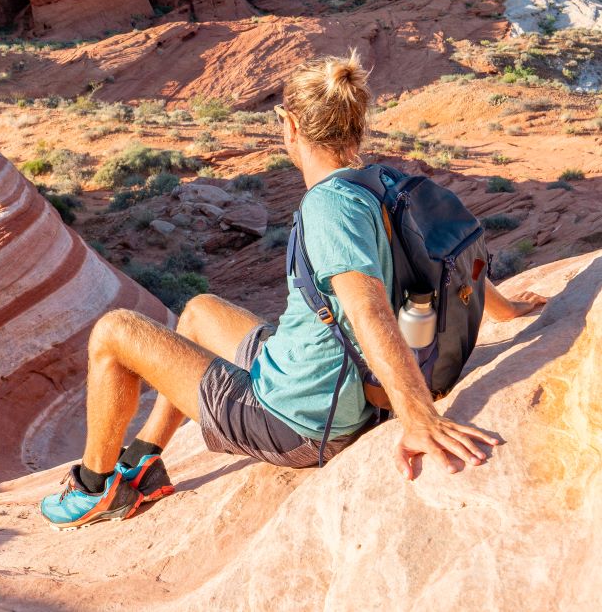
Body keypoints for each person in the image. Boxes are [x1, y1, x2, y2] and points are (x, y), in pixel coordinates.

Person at [39, 51, 548, 530]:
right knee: (198, 312)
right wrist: (503, 307)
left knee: (113, 332)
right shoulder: (379, 182)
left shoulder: (329, 207)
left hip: (294, 420)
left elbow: (367, 308)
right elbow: (444, 258)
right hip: (319, 379)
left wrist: (418, 416)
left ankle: (95, 487)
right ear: (356, 125)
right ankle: (141, 464)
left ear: (291, 125)